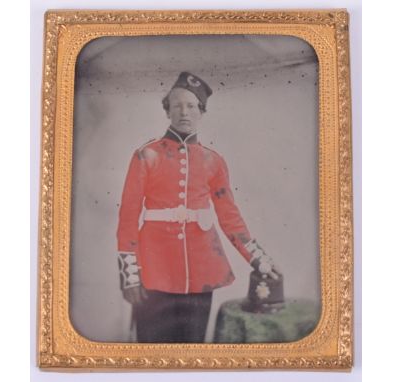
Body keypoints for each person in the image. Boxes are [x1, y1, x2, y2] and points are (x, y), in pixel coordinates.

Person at [116, 71, 279, 343]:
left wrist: (258, 258)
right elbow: (128, 216)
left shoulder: (213, 161)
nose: (184, 112)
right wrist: (129, 274)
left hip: (202, 270)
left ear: (201, 112)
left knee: (192, 350)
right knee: (151, 353)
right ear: (167, 110)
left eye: (192, 106)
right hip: (154, 268)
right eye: (177, 105)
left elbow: (230, 217)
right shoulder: (147, 155)